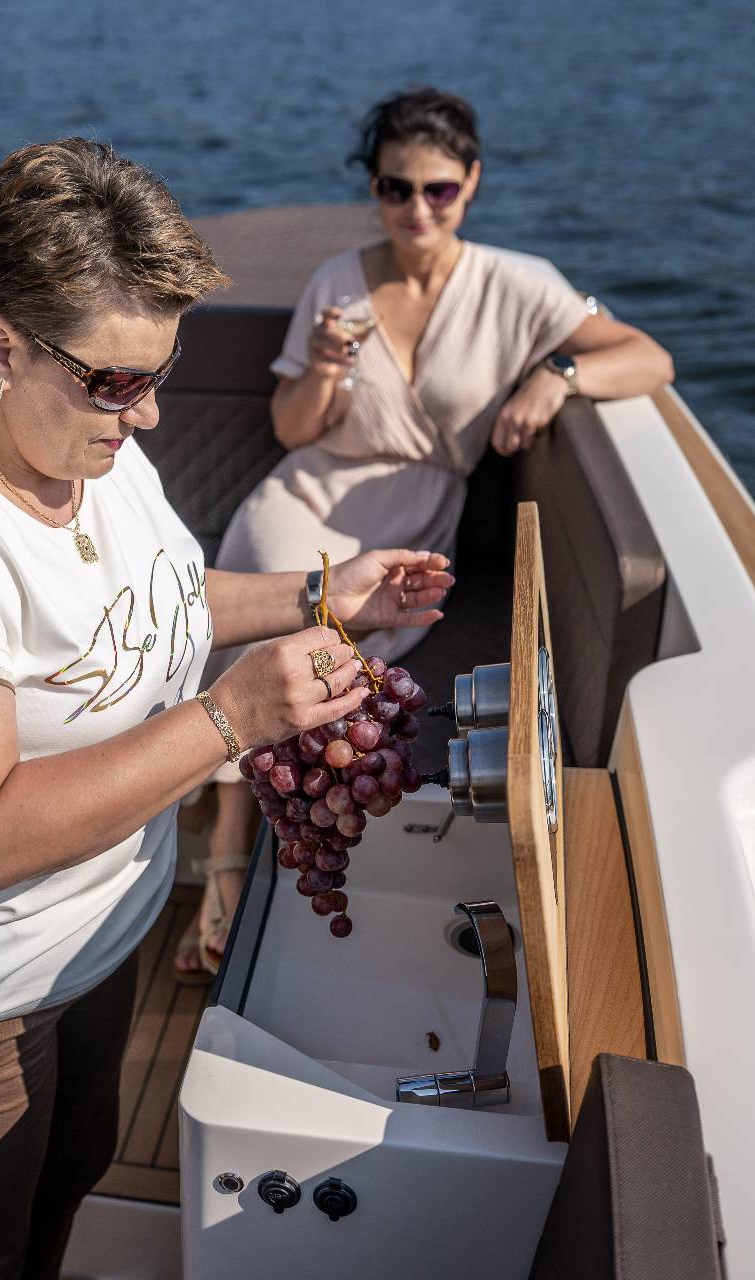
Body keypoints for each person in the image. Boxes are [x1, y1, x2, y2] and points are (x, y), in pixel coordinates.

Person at [0, 137, 454, 1279]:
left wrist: (323, 592)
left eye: (158, 373)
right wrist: (231, 719)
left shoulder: (85, 439)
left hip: (98, 930)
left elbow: (159, 598)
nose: (148, 416)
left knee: (73, 1167)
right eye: (119, 380)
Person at [179, 87, 675, 980]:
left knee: (329, 644)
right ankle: (230, 843)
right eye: (396, 188)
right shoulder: (340, 280)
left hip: (414, 509)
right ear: (374, 187)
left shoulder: (517, 284)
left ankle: (250, 844)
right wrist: (321, 370)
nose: (417, 208)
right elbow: (293, 429)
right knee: (277, 596)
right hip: (307, 492)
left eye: (438, 189)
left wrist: (557, 376)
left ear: (471, 182)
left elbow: (649, 356)